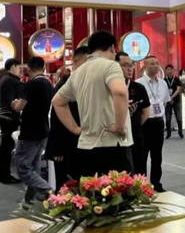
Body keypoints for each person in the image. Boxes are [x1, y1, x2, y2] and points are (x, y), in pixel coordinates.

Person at [53, 31, 132, 177]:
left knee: (91, 189)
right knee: (119, 189)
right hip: (112, 144)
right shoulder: (110, 66)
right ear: (112, 48)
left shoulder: (77, 72)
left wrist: (75, 129)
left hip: (86, 145)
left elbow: (57, 102)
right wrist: (120, 127)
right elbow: (120, 92)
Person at [12, 57, 54, 202]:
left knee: (23, 167)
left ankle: (48, 190)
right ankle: (29, 200)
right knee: (35, 166)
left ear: (28, 69)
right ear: (43, 68)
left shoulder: (31, 84)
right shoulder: (48, 84)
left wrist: (14, 104)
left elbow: (19, 107)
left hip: (30, 130)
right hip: (43, 129)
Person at [46, 47, 89, 188]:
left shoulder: (88, 83)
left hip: (83, 143)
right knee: (66, 186)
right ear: (76, 61)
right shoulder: (66, 84)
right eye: (86, 61)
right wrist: (57, 148)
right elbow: (56, 117)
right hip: (66, 144)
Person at [136, 55, 171, 192]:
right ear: (145, 66)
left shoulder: (163, 83)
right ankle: (141, 185)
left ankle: (156, 183)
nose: (155, 66)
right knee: (142, 156)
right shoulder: (139, 83)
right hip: (145, 123)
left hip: (158, 123)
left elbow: (164, 102)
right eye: (152, 64)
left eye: (157, 63)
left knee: (157, 156)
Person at [116, 52, 151, 176]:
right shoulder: (109, 88)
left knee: (139, 170)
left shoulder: (138, 88)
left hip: (136, 136)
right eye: (125, 65)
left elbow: (146, 112)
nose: (130, 68)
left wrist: (133, 124)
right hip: (116, 138)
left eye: (131, 65)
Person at [0, 59, 23, 184]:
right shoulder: (12, 81)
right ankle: (5, 176)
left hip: (4, 116)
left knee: (5, 147)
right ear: (13, 67)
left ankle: (1, 175)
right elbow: (26, 93)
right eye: (18, 67)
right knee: (7, 147)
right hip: (9, 117)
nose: (20, 70)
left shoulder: (4, 79)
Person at [164, 64, 183, 139]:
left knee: (178, 117)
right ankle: (168, 133)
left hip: (176, 100)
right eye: (168, 69)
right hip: (167, 101)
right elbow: (163, 91)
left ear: (173, 70)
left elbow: (178, 90)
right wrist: (169, 99)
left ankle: (180, 132)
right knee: (168, 118)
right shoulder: (164, 80)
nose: (169, 71)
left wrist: (172, 97)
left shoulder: (177, 79)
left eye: (171, 69)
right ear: (166, 71)